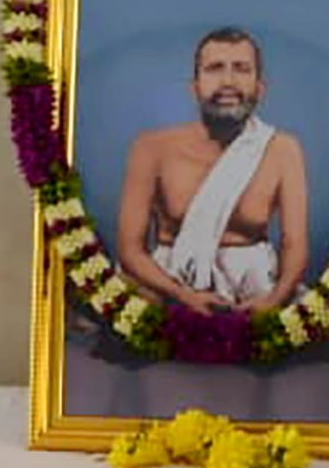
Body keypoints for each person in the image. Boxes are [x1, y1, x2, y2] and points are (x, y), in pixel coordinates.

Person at [114, 27, 309, 315]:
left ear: (260, 87)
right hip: (168, 286)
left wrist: (273, 301)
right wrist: (181, 295)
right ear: (195, 86)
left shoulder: (283, 149)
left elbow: (295, 245)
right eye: (215, 69)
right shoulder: (151, 147)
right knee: (122, 303)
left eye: (241, 69)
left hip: (255, 290)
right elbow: (130, 249)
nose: (228, 82)